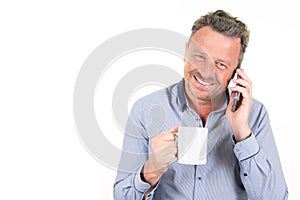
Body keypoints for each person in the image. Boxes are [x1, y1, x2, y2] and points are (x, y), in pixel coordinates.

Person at [113, 10, 288, 199]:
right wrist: (151, 170)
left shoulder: (255, 114)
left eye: (221, 64)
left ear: (236, 72)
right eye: (199, 56)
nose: (206, 72)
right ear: (186, 51)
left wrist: (242, 134)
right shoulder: (145, 109)